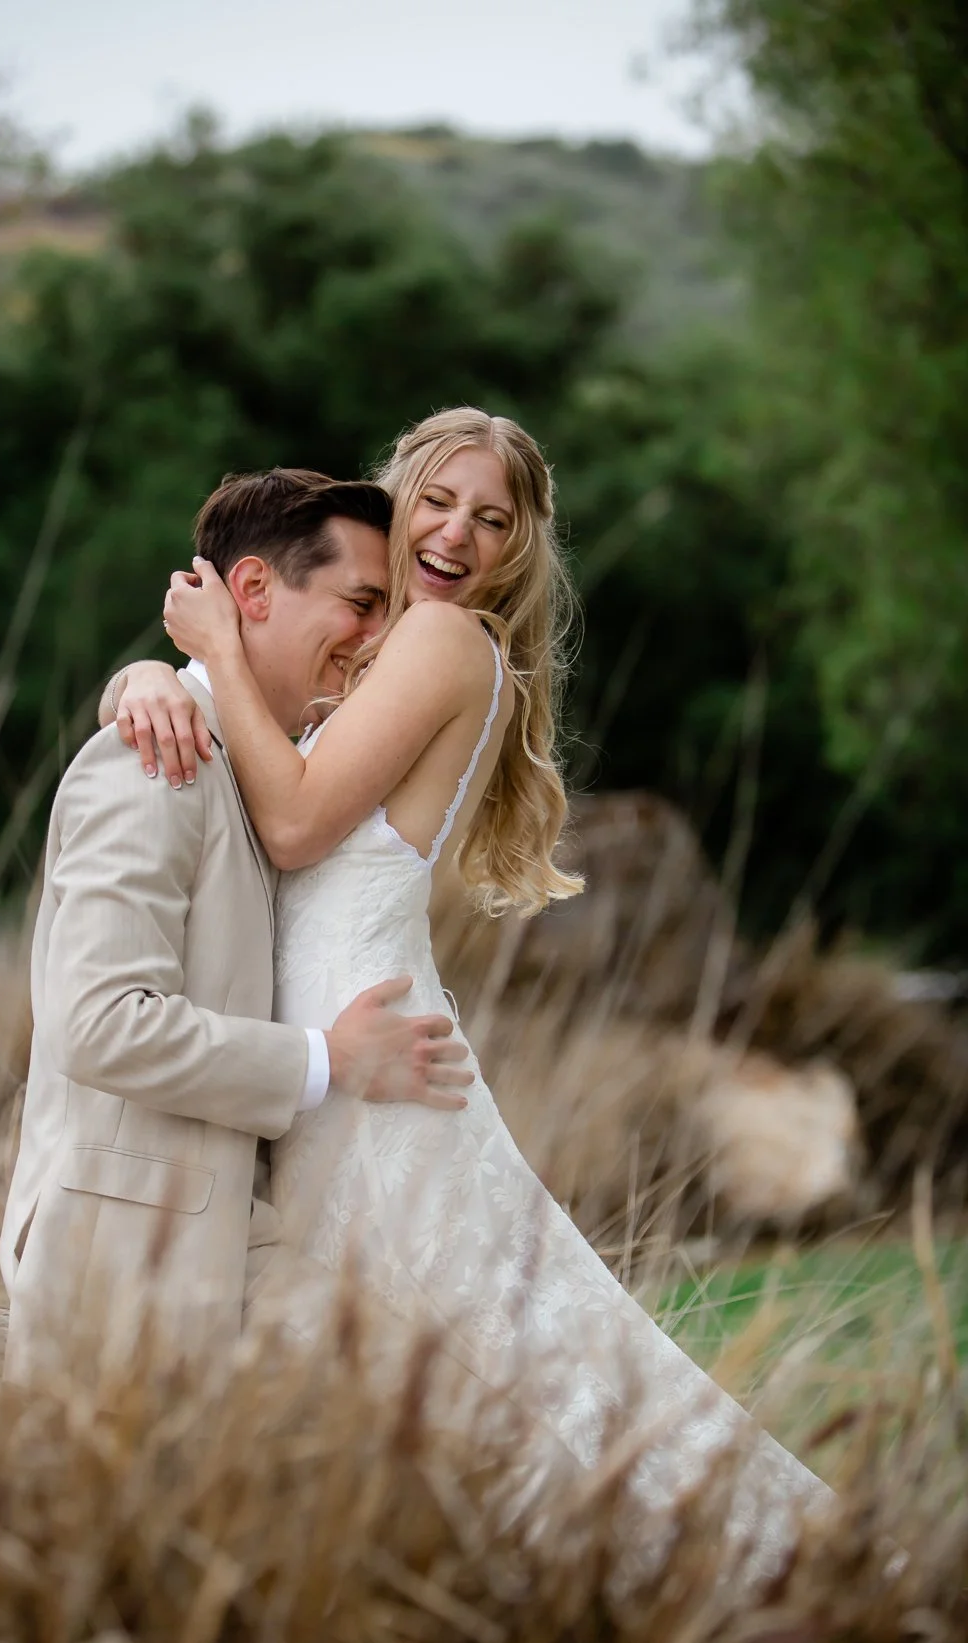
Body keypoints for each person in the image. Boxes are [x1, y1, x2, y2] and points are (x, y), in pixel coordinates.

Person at [102, 408, 829, 1559]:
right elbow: (233, 733)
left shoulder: (445, 646)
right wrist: (146, 676)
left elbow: (289, 821)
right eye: (438, 500)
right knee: (442, 1343)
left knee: (481, 1343)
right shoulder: (370, 641)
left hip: (368, 1051)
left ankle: (716, 1567)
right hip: (325, 1044)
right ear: (398, 495)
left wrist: (211, 651)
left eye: (492, 520)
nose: (454, 534)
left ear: (519, 548)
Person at [0, 469, 474, 1390]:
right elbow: (98, 1024)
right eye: (362, 604)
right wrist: (330, 1061)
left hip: (224, 1256)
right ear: (252, 592)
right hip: (117, 1270)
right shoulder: (152, 762)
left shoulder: (247, 768)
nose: (379, 643)